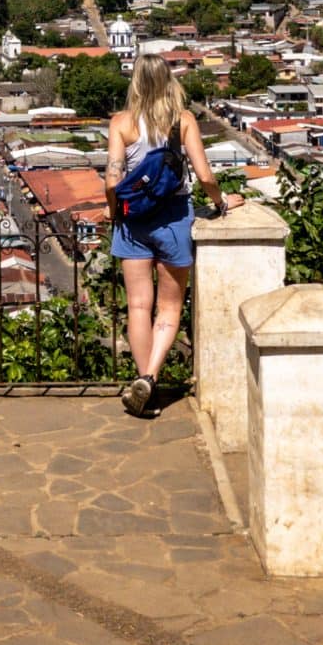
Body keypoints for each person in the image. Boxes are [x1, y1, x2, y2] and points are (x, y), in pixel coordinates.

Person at [105, 56, 224, 417]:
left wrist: (115, 215)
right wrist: (221, 201)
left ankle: (145, 384)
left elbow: (112, 180)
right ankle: (151, 377)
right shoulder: (182, 121)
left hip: (134, 221)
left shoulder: (121, 123)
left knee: (138, 306)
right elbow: (203, 175)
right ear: (170, 81)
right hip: (173, 218)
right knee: (169, 307)